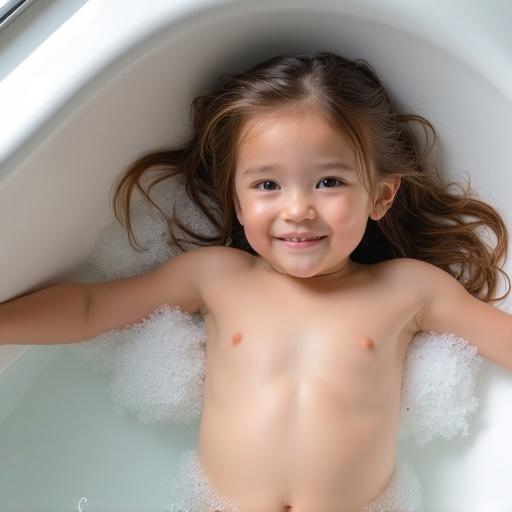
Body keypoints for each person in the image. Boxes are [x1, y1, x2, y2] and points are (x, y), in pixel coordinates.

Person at [1, 51, 512, 511]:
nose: (297, 209)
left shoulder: (408, 290)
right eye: (268, 184)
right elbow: (92, 310)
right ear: (238, 200)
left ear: (380, 195)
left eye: (329, 182)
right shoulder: (216, 277)